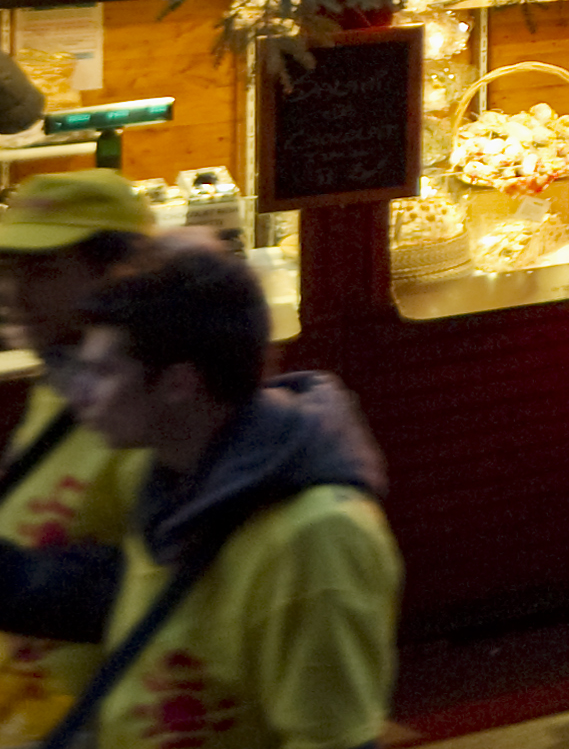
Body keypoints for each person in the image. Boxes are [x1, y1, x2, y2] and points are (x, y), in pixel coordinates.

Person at [34, 237, 397, 749]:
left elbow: (331, 740)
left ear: (180, 383)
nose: (80, 394)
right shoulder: (160, 472)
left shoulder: (317, 538)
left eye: (104, 372)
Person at [0, 171, 151, 738]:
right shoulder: (58, 386)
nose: (13, 289)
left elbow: (153, 584)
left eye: (41, 268)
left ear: (115, 275)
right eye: (9, 267)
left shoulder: (147, 416)